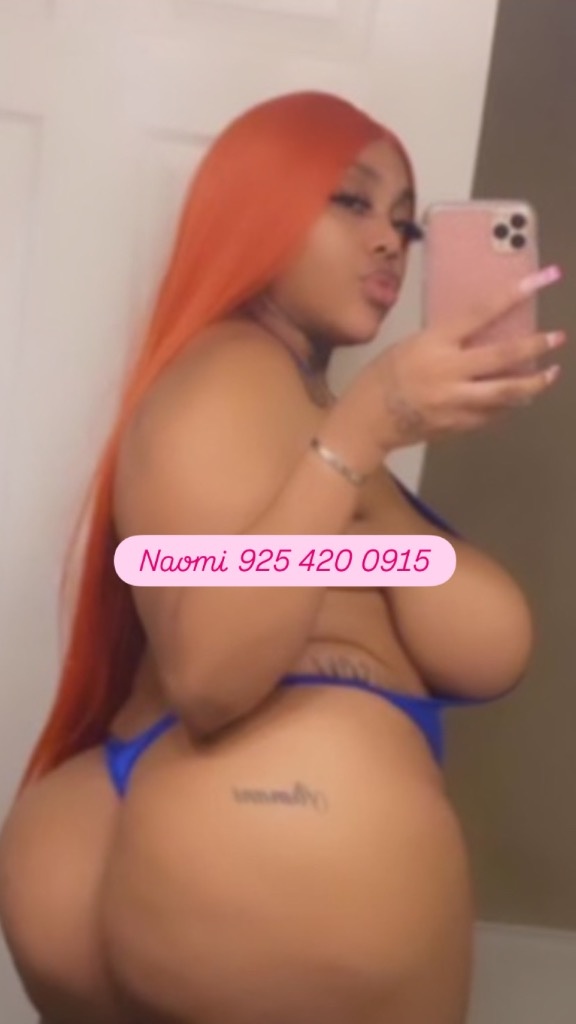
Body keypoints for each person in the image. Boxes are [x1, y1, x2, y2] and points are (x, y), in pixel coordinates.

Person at [0, 90, 565, 1024]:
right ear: (251, 208)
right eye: (351, 201)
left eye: (404, 223)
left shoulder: (300, 419)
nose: (389, 242)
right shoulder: (233, 377)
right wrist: (365, 426)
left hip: (145, 817)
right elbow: (212, 674)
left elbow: (480, 641)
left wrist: (367, 453)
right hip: (281, 816)